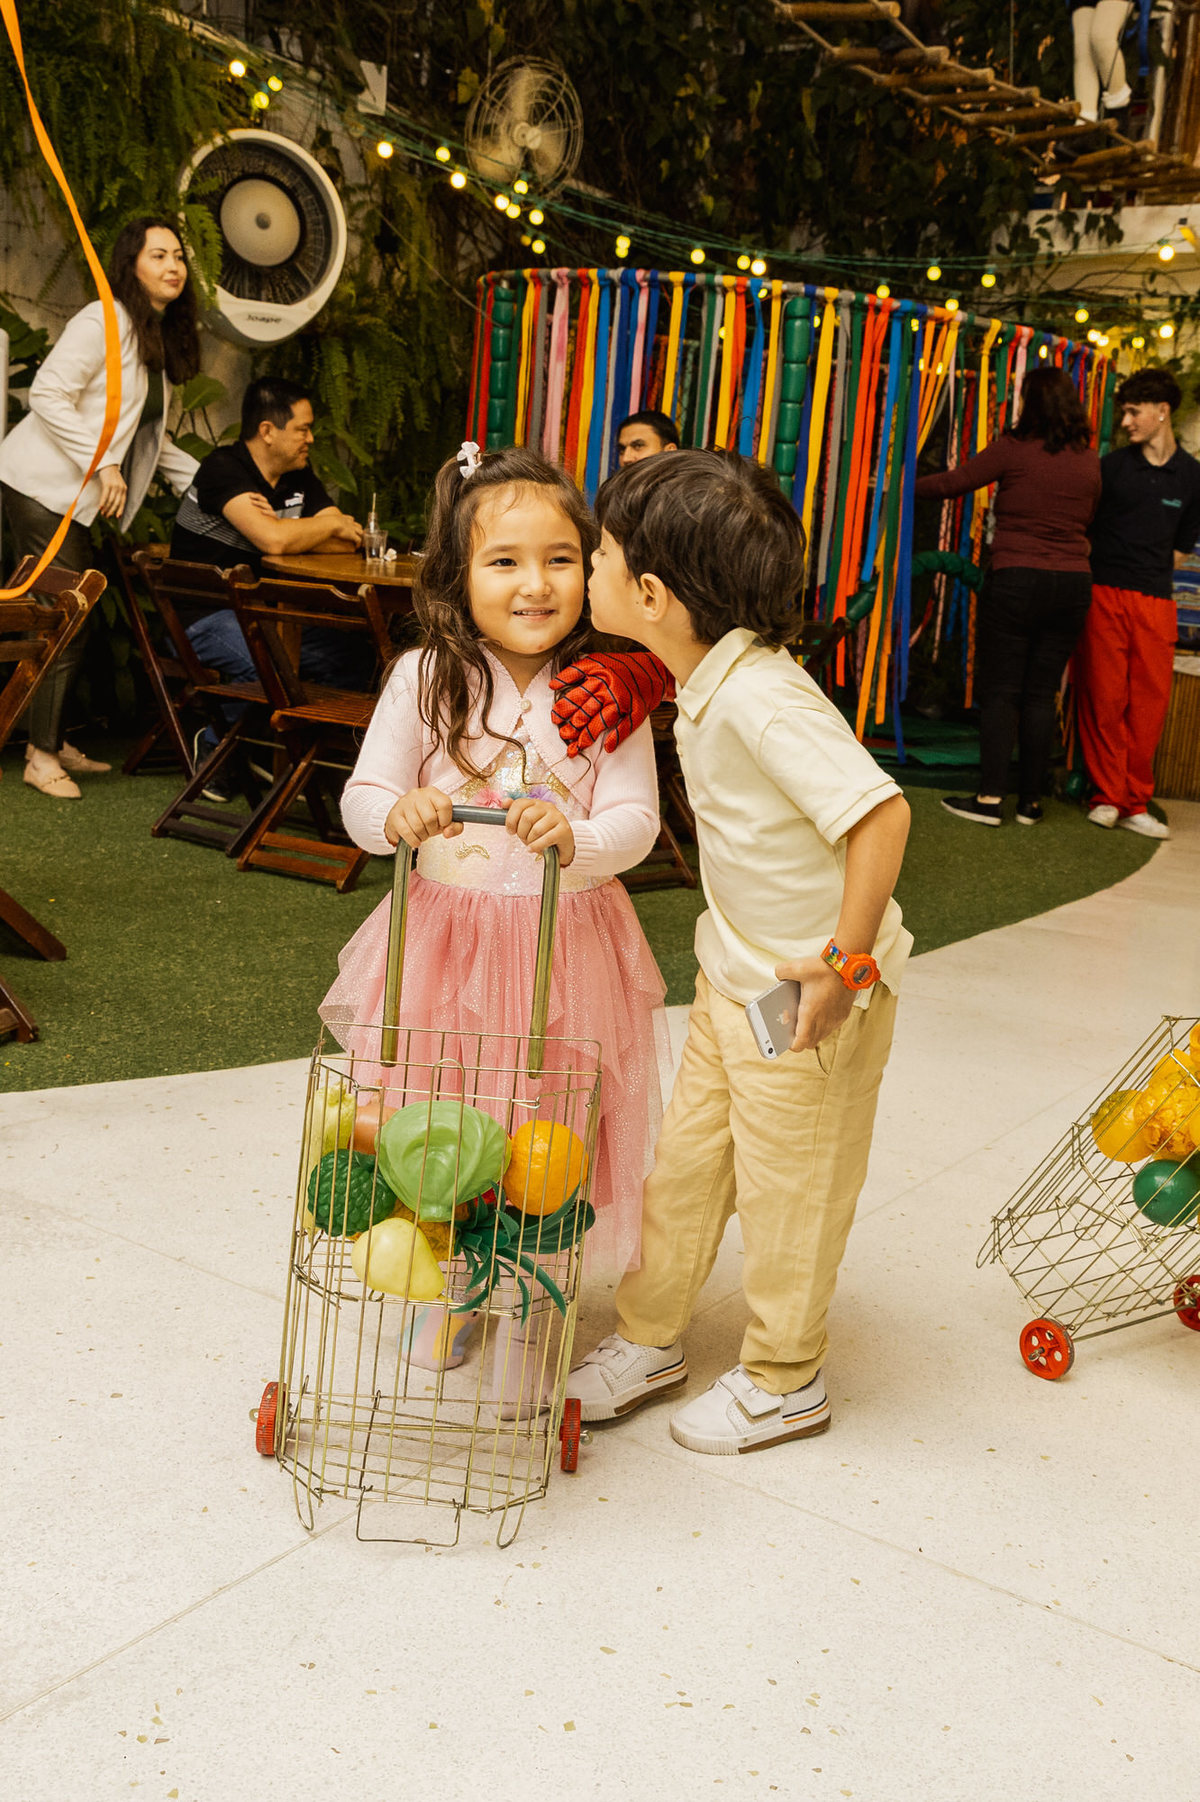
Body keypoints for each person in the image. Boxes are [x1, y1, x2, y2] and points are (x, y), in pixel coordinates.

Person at [563, 450, 912, 1456]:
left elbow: (881, 817)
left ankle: (784, 1378)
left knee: (789, 1187)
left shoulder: (763, 697)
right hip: (737, 979)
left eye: (599, 555)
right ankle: (650, 1336)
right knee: (686, 1169)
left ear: (654, 596)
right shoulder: (706, 676)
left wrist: (845, 967)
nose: (589, 568)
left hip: (811, 997)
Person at [320, 443, 667, 1393]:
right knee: (439, 1116)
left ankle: (531, 1296)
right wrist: (396, 815)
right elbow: (363, 797)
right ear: (457, 575)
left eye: (560, 559)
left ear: (591, 569)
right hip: (443, 943)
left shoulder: (610, 684)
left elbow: (639, 822)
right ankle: (447, 1285)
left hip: (565, 946)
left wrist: (578, 837)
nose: (535, 583)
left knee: (549, 1128)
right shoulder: (425, 675)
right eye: (504, 561)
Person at [0, 216, 201, 799]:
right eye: (158, 255)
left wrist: (218, 485)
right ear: (130, 265)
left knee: (71, 615)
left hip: (72, 498)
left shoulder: (148, 334)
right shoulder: (103, 321)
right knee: (63, 614)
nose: (173, 266)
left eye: (178, 256)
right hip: (39, 486)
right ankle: (40, 757)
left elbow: (148, 440)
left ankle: (51, 738)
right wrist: (103, 465)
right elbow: (47, 394)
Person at [914, 366, 1101, 826]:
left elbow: (953, 483)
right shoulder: (1089, 459)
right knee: (1040, 694)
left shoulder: (1014, 448)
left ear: (1029, 404)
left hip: (1018, 579)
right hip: (1073, 585)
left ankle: (989, 799)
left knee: (1002, 691)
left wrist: (899, 487)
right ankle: (1030, 803)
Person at [170, 378, 367, 766]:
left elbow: (347, 542)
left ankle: (312, 761)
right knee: (270, 664)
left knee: (352, 656)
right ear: (267, 431)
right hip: (203, 616)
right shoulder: (223, 469)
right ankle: (216, 748)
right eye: (302, 429)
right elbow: (274, 541)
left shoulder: (299, 475)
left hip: (268, 615)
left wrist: (293, 530)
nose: (310, 438)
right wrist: (323, 525)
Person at [1077, 366, 1200, 841]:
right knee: (1105, 697)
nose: (1126, 421)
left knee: (1149, 704)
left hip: (1156, 602)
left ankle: (1134, 802)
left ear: (1161, 411)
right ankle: (1107, 797)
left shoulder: (1192, 476)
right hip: (1104, 594)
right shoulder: (1110, 468)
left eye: (1134, 412)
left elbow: (1184, 544)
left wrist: (1146, 568)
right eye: (1124, 412)